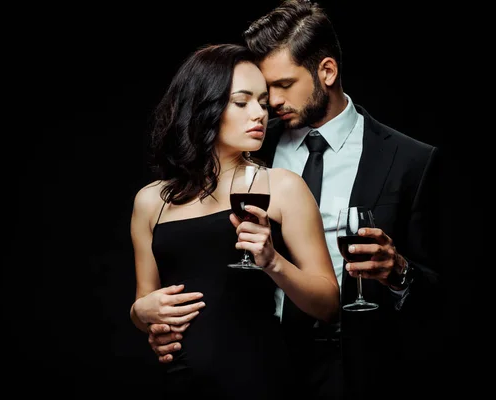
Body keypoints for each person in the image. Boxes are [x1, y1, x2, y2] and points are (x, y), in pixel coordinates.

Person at [148, 1, 444, 399]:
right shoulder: (249, 142)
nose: (270, 102)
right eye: (263, 89)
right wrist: (154, 320)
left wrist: (401, 272)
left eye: (283, 85)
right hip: (265, 357)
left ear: (327, 71)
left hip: (364, 364)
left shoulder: (410, 160)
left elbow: (447, 290)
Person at [129, 42, 340, 399]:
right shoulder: (151, 200)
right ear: (203, 105)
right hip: (179, 384)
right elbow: (145, 304)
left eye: (261, 102)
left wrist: (273, 262)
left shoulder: (283, 187)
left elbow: (329, 304)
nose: (259, 114)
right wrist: (139, 312)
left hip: (260, 380)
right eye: (241, 102)